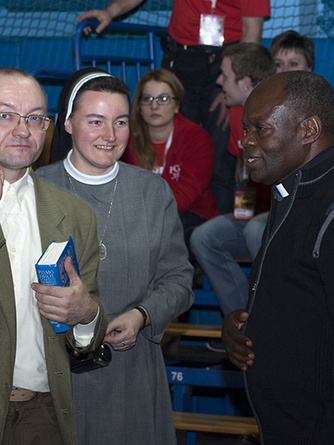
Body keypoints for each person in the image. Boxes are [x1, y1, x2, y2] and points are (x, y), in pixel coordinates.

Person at [222, 71, 334, 443]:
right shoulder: (293, 194)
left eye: (260, 129)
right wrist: (242, 327)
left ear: (308, 130)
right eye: (245, 129)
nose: (246, 141)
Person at [37, 68, 194, 444]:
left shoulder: (152, 192)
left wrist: (142, 315)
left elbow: (179, 279)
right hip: (55, 373)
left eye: (120, 122)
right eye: (96, 121)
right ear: (69, 124)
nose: (110, 136)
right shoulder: (37, 189)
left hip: (132, 371)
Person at [76, 0, 270, 215]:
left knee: (220, 163)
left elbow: (253, 30)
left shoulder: (229, 83)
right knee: (166, 144)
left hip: (225, 64)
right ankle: (163, 220)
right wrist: (110, 12)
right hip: (180, 60)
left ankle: (215, 231)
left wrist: (233, 88)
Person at [0, 68, 107, 445]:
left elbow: (84, 339)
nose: (22, 130)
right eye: (5, 115)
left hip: (42, 413)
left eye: (35, 118)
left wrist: (85, 315)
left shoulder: (74, 215)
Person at [190, 42, 275, 318]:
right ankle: (243, 320)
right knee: (203, 237)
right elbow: (245, 176)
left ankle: (274, 318)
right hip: (259, 213)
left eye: (224, 75)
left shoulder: (280, 117)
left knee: (254, 231)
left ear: (247, 82)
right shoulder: (237, 114)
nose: (218, 81)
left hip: (292, 216)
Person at [124, 68, 219, 247]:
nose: (154, 106)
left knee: (164, 231)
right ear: (139, 108)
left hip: (191, 215)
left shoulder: (196, 138)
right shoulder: (127, 138)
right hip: (141, 216)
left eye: (164, 99)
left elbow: (185, 196)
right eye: (147, 99)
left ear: (177, 105)